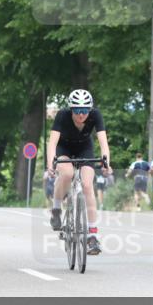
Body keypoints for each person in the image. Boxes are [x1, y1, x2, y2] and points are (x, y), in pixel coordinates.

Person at [46, 89, 113, 256]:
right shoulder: (62, 115)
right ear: (71, 109)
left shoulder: (95, 115)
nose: (82, 114)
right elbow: (52, 143)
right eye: (77, 110)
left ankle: (92, 236)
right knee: (67, 174)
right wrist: (50, 164)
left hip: (84, 148)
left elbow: (103, 143)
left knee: (87, 185)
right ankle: (56, 209)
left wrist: (106, 163)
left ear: (90, 109)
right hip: (64, 147)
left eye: (85, 110)